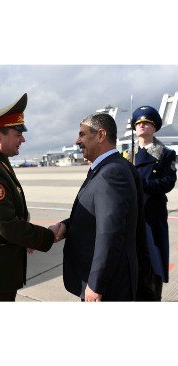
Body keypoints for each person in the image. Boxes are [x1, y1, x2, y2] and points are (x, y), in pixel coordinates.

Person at [0, 93, 61, 301]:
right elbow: (7, 224)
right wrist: (47, 236)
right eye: (18, 134)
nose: (23, 139)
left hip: (2, 270)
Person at [57, 112, 139, 301]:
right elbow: (97, 216)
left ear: (101, 135)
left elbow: (110, 232)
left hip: (108, 288)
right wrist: (66, 226)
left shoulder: (112, 172)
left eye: (82, 134)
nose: (77, 141)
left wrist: (96, 283)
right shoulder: (106, 168)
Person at [129, 105, 177, 301]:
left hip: (153, 215)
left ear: (154, 127)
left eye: (147, 123)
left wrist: (142, 184)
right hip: (133, 214)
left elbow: (168, 182)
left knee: (154, 259)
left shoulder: (166, 154)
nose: (142, 126)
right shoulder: (128, 155)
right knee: (134, 258)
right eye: (138, 123)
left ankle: (153, 298)